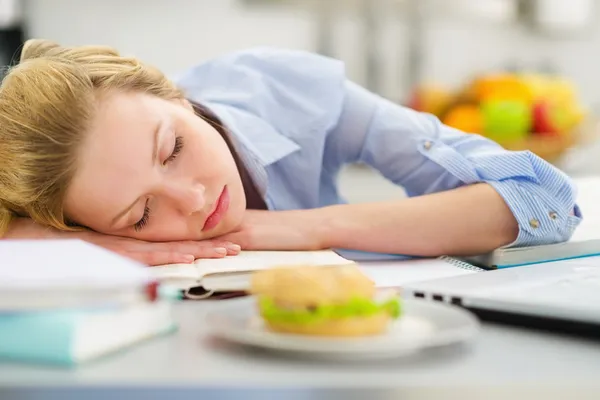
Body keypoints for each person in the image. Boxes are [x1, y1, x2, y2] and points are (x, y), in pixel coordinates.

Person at [0, 39, 582, 266]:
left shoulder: (288, 92)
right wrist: (90, 246)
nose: (195, 199)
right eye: (141, 215)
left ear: (174, 94)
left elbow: (544, 199)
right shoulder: (58, 196)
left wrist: (306, 228)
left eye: (174, 148)